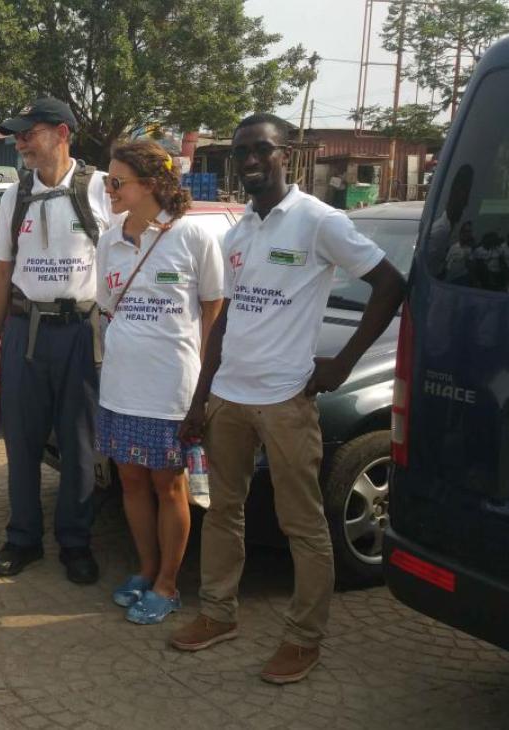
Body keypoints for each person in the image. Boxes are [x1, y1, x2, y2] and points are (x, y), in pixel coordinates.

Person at [171, 113, 405, 684]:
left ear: (287, 155)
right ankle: (219, 613)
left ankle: (304, 639)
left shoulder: (318, 221)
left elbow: (391, 284)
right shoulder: (239, 231)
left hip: (285, 401)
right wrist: (200, 399)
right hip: (229, 397)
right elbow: (226, 320)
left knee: (301, 523)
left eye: (263, 150)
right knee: (224, 512)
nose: (251, 160)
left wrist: (342, 363)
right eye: (243, 152)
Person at [0, 96, 113, 583]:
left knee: (79, 445)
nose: (20, 143)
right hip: (25, 333)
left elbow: (123, 261)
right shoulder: (16, 195)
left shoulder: (101, 189)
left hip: (82, 332)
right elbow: (0, 272)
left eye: (28, 133)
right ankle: (23, 538)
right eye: (18, 135)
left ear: (61, 133)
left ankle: (76, 544)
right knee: (22, 442)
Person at [97, 141, 223, 625]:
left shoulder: (193, 237)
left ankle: (169, 583)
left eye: (117, 182)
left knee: (169, 485)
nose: (109, 189)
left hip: (172, 386)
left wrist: (205, 387)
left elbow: (212, 309)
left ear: (150, 184)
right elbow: (110, 305)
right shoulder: (110, 238)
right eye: (109, 181)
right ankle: (147, 569)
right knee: (130, 480)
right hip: (120, 383)